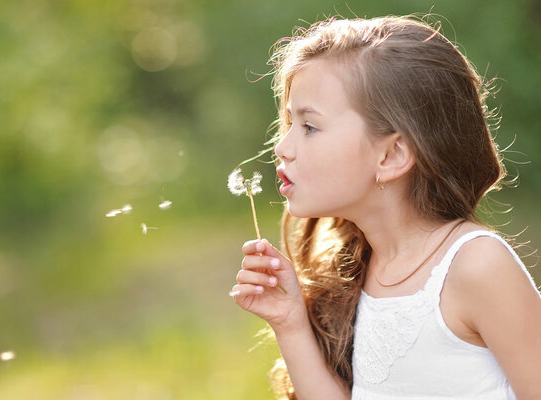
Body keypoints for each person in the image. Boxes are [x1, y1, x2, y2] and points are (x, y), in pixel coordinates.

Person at [229, 15, 541, 399]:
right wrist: (290, 323)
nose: (282, 147)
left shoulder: (475, 266)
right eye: (290, 122)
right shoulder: (358, 266)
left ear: (391, 155)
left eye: (309, 127)